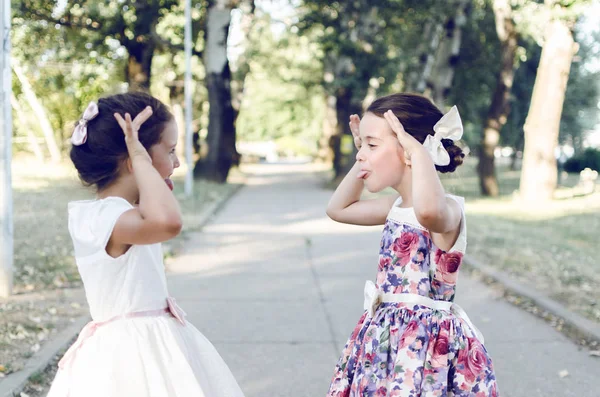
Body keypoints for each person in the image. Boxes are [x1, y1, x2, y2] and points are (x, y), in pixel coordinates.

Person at [47, 92, 245, 397]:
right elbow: (169, 223)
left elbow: (160, 215)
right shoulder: (103, 219)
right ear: (133, 160)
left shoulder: (129, 212)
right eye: (170, 151)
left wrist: (149, 172)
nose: (178, 162)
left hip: (151, 341)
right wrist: (143, 160)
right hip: (128, 357)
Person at [325, 93, 499, 396]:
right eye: (360, 145)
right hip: (384, 344)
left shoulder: (447, 210)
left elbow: (428, 212)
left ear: (409, 151)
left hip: (426, 351)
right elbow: (338, 209)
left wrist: (418, 155)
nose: (360, 153)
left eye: (372, 144)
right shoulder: (394, 207)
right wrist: (364, 158)